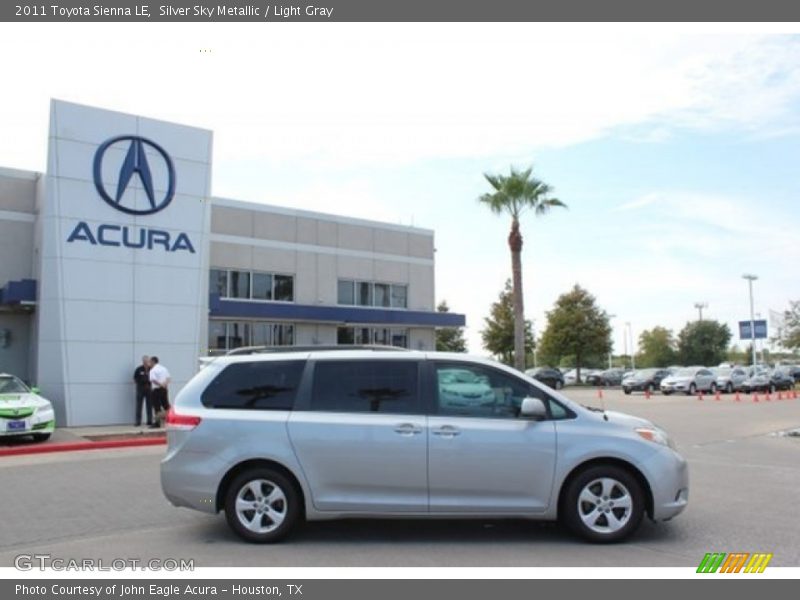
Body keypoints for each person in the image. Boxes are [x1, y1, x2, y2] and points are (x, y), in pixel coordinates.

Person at [148, 356, 171, 428]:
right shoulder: (164, 368)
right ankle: (171, 419)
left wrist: (160, 385)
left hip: (156, 390)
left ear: (153, 362)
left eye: (150, 362)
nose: (149, 364)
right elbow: (168, 378)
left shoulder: (153, 370)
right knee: (166, 405)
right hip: (164, 389)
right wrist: (164, 384)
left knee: (156, 406)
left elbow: (153, 380)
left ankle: (157, 423)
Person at [132, 355, 152, 427]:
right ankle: (138, 421)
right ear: (143, 361)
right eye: (145, 361)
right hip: (140, 389)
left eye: (147, 361)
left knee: (149, 405)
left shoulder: (151, 369)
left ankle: (149, 421)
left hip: (149, 389)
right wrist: (139, 383)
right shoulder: (139, 369)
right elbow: (134, 378)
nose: (146, 363)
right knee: (139, 405)